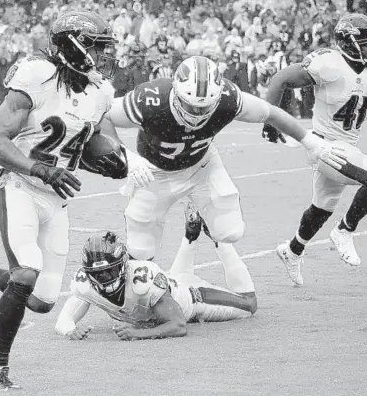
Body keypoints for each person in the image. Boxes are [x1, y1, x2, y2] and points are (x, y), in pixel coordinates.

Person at [0, 11, 125, 391]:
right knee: (26, 272)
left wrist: (113, 160)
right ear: (74, 45)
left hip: (55, 199)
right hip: (20, 185)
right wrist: (42, 171)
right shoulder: (35, 76)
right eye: (97, 46)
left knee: (42, 301)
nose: (106, 56)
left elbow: (89, 140)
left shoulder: (99, 91)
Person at [101, 55, 346, 274]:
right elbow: (104, 115)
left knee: (231, 232)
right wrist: (125, 156)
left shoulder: (228, 98)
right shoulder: (150, 99)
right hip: (153, 173)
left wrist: (310, 142)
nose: (197, 111)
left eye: (205, 106)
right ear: (175, 93)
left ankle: (196, 215)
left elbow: (271, 113)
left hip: (201, 166)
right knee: (140, 251)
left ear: (217, 97)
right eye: (191, 104)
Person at [261, 14, 367, 286]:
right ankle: (344, 230)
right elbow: (280, 79)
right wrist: (270, 120)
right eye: (365, 44)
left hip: (347, 146)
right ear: (350, 43)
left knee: (321, 208)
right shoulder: (328, 63)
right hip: (323, 145)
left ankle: (292, 250)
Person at [55, 204, 258, 341]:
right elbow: (64, 321)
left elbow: (178, 325)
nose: (102, 279)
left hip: (193, 299)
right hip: (172, 285)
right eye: (97, 274)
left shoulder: (142, 281)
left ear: (122, 265)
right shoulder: (86, 284)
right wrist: (72, 331)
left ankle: (217, 239)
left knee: (250, 304)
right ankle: (190, 236)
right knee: (179, 277)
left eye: (108, 272)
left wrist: (139, 334)